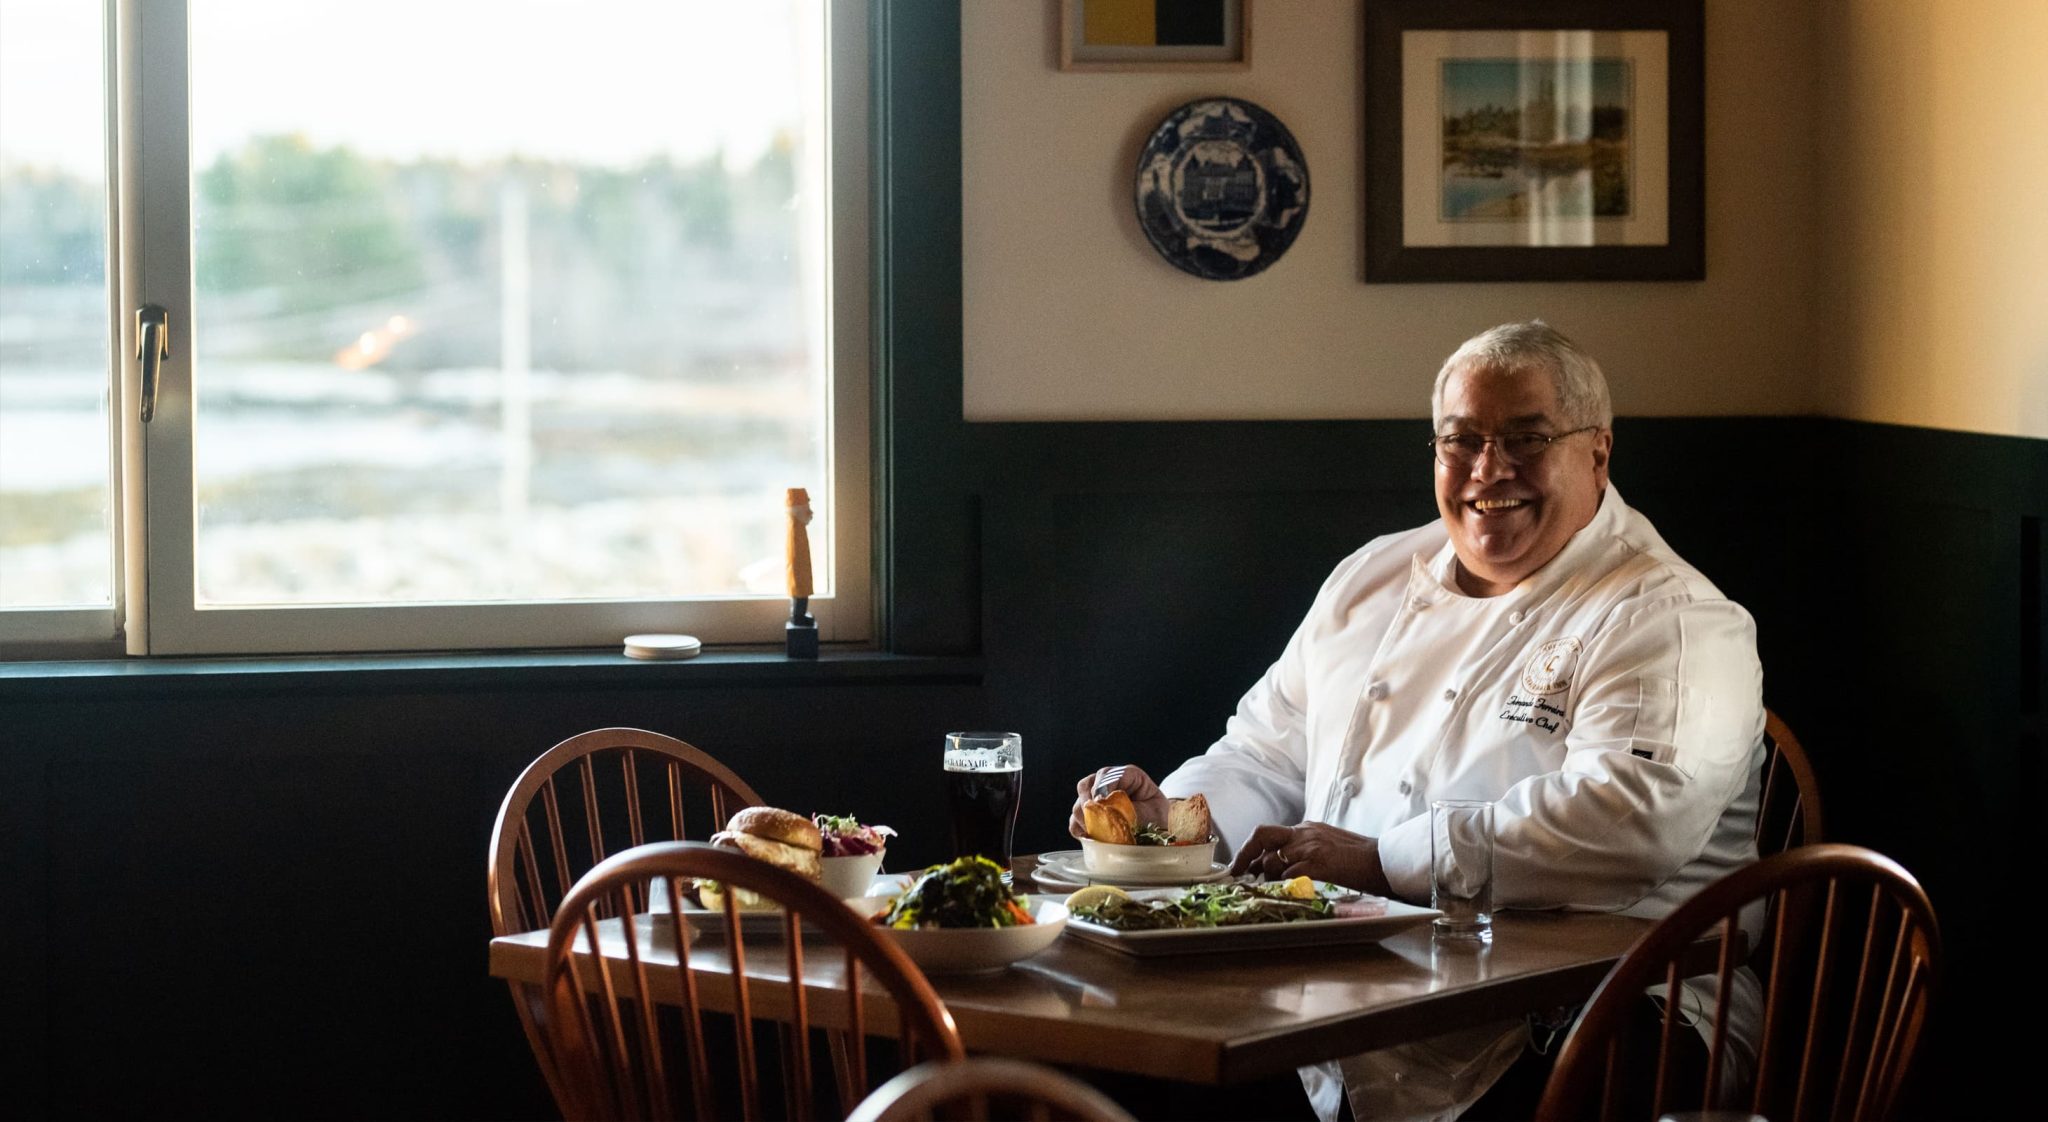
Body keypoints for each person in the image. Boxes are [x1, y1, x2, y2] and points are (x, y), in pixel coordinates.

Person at [1069, 321, 1765, 1122]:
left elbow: (1630, 818)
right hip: (1357, 992)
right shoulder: (1372, 577)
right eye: (1461, 440)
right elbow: (1263, 752)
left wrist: (1381, 861)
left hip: (1608, 1014)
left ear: (1598, 452)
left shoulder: (1669, 616)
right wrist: (1172, 826)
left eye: (1525, 439)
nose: (1488, 469)